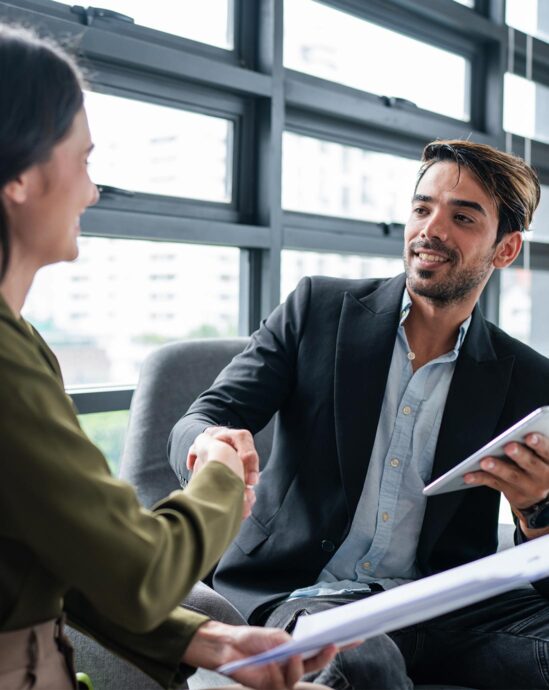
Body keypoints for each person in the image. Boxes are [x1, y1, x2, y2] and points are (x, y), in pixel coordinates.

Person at [0, 24, 337, 690]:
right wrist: (221, 477)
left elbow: (54, 556)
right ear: (18, 173)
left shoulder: (22, 343)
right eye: (85, 160)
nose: (92, 192)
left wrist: (206, 640)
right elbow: (142, 570)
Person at [170, 139, 549, 689]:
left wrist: (537, 506)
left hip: (443, 603)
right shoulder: (318, 311)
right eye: (422, 208)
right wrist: (207, 444)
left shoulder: (526, 375)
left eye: (462, 217)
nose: (431, 229)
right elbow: (203, 416)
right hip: (308, 594)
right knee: (362, 663)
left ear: (505, 249)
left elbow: (538, 569)